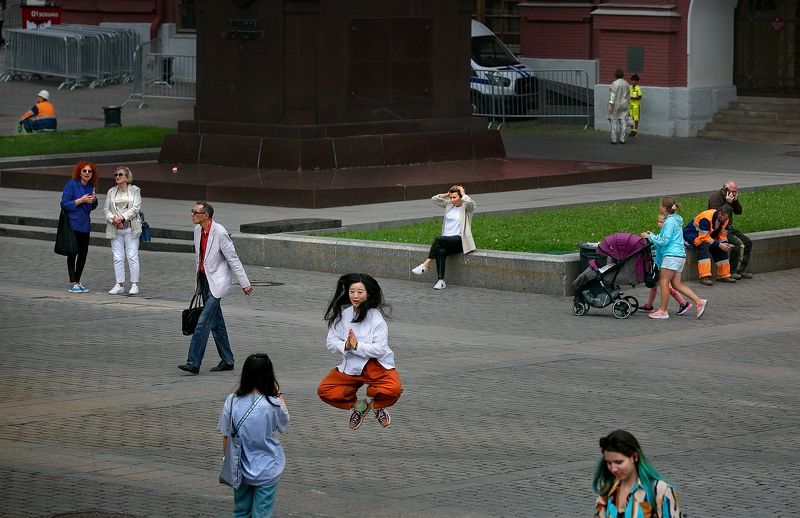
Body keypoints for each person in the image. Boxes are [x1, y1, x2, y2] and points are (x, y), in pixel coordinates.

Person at [317, 273, 403, 430]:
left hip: (376, 366)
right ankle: (360, 407)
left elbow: (380, 348)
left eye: (360, 292)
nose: (355, 296)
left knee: (394, 389)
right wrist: (346, 346)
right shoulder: (342, 315)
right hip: (351, 367)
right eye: (352, 292)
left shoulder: (376, 318)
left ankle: (377, 406)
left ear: (368, 294)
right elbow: (331, 343)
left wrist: (357, 346)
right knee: (325, 390)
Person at [179, 201, 253, 375]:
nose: (192, 215)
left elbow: (233, 259)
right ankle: (227, 359)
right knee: (216, 323)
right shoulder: (197, 230)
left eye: (195, 212)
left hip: (217, 284)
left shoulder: (220, 232)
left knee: (203, 322)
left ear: (206, 215)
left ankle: (193, 362)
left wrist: (245, 283)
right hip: (204, 281)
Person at [218, 353, 289, 518]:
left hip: (240, 468)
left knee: (241, 512)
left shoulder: (232, 400)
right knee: (261, 513)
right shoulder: (272, 404)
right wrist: (277, 393)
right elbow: (285, 419)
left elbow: (226, 436)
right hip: (268, 467)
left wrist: (228, 460)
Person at [641, 196, 707, 319]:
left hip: (671, 256)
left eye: (660, 205)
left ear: (664, 208)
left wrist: (650, 237)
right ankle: (699, 302)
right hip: (680, 255)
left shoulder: (669, 222)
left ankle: (663, 311)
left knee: (664, 282)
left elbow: (664, 241)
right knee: (676, 284)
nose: (659, 206)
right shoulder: (676, 220)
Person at [593, 430, 682, 518]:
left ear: (635, 457)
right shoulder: (608, 490)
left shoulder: (660, 490)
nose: (613, 469)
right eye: (609, 463)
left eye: (619, 462)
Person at [411, 185, 476, 290]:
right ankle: (441, 281)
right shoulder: (449, 205)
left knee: (439, 239)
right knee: (441, 251)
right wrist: (447, 193)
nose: (452, 200)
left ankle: (425, 264)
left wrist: (463, 193)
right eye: (451, 197)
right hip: (447, 240)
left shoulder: (466, 208)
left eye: (455, 197)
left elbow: (471, 204)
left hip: (459, 241)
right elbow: (434, 199)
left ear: (460, 197)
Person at [641, 214, 691, 315]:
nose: (659, 224)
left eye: (661, 222)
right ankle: (649, 305)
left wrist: (650, 236)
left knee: (667, 286)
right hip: (660, 263)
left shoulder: (667, 233)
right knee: (656, 286)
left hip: (663, 264)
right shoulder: (662, 233)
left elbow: (661, 245)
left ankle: (684, 303)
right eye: (658, 221)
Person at [103, 166, 142, 295]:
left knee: (132, 256)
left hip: (131, 228)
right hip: (115, 229)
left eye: (120, 174)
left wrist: (122, 218)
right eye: (115, 175)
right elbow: (106, 210)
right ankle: (119, 284)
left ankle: (134, 284)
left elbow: (136, 208)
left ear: (127, 177)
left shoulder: (135, 190)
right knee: (118, 257)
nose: (117, 177)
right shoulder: (111, 191)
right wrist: (113, 219)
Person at [60, 161, 98, 293]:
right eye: (84, 171)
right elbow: (64, 204)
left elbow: (91, 207)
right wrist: (80, 200)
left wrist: (94, 200)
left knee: (83, 254)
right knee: (72, 253)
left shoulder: (91, 186)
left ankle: (78, 280)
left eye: (89, 171)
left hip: (85, 225)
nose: (87, 173)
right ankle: (72, 282)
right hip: (73, 224)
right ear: (79, 172)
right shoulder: (72, 184)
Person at [708, 180, 752, 280]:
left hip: (728, 228)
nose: (734, 193)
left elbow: (739, 211)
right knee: (737, 244)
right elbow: (720, 215)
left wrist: (735, 201)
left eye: (735, 191)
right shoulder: (715, 197)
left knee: (747, 242)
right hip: (718, 230)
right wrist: (728, 203)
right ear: (725, 189)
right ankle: (731, 271)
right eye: (732, 191)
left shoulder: (732, 197)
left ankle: (740, 270)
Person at [683, 205, 735, 286]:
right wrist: (719, 244)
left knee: (722, 247)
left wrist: (725, 244)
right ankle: (704, 276)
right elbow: (703, 237)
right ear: (720, 214)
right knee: (704, 245)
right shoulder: (706, 218)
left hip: (707, 235)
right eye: (724, 218)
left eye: (726, 219)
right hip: (693, 235)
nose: (725, 220)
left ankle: (723, 275)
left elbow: (722, 235)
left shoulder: (725, 220)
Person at [607, 69, 630, 145]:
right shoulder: (626, 83)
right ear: (623, 75)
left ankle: (614, 139)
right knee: (623, 122)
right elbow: (628, 95)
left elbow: (612, 95)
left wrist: (610, 105)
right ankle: (622, 139)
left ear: (615, 75)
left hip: (616, 105)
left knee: (614, 121)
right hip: (624, 104)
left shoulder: (614, 83)